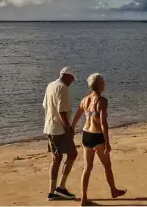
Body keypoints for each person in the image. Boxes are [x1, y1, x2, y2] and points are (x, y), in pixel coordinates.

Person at [72, 73, 126, 206]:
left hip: (86, 135)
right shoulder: (102, 101)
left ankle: (84, 199)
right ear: (100, 85)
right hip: (97, 136)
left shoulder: (85, 99)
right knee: (107, 165)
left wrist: (72, 128)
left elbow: (78, 114)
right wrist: (107, 142)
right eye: (103, 82)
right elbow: (103, 123)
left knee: (87, 168)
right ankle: (113, 191)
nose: (105, 84)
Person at [43, 67, 78, 200]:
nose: (72, 82)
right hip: (59, 129)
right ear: (67, 77)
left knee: (56, 159)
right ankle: (60, 187)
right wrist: (69, 130)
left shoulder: (50, 85)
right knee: (72, 154)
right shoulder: (63, 88)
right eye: (72, 79)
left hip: (49, 127)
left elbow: (45, 106)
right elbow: (62, 111)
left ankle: (52, 191)